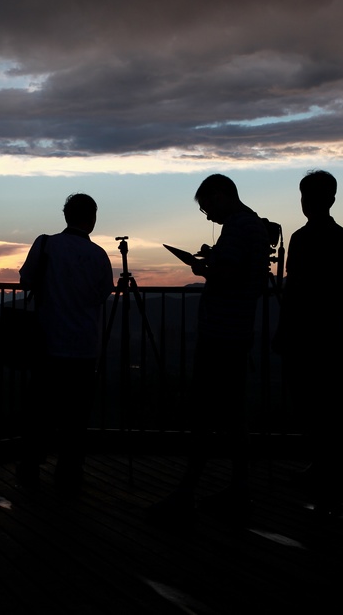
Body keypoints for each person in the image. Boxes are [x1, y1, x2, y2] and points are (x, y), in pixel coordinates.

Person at [148, 174, 271, 523]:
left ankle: (186, 494)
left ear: (220, 195)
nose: (207, 217)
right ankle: (238, 488)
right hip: (238, 330)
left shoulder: (236, 227)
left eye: (206, 208)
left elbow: (228, 274)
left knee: (204, 414)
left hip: (221, 334)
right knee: (233, 415)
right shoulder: (255, 226)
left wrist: (204, 268)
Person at [17, 193, 114, 490]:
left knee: (40, 410)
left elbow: (27, 280)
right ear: (92, 219)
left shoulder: (46, 244)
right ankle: (69, 471)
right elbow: (102, 293)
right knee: (76, 414)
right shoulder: (99, 255)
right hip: (84, 346)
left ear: (66, 216)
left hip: (47, 341)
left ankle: (31, 467)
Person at [277, 170, 343, 514]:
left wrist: (284, 327)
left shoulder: (301, 238)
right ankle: (328, 469)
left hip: (306, 330)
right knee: (328, 401)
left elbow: (294, 285)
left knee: (310, 400)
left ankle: (323, 467)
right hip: (330, 330)